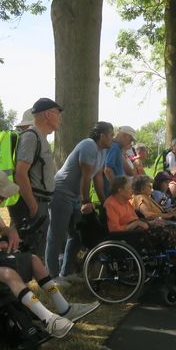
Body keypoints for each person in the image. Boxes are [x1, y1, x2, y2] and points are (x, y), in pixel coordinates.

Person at [0, 167, 99, 338]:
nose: (5, 198)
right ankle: (49, 320)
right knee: (9, 274)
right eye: (2, 196)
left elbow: (2, 228)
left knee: (34, 260)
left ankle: (64, 309)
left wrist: (11, 232)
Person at [45, 122, 114, 286]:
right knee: (56, 235)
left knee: (76, 235)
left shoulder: (103, 151)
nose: (112, 138)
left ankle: (66, 272)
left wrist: (105, 202)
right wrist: (86, 201)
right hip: (62, 193)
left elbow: (98, 178)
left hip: (76, 196)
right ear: (102, 136)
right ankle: (52, 277)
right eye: (111, 135)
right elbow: (86, 176)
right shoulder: (88, 145)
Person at [9, 98, 62, 256]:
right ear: (47, 114)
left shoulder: (40, 137)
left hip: (40, 202)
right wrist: (33, 206)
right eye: (57, 114)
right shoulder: (31, 137)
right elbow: (20, 173)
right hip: (31, 202)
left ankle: (32, 279)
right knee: (27, 249)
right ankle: (18, 279)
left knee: (35, 247)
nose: (60, 118)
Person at [104, 176, 176, 250]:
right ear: (120, 190)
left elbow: (137, 220)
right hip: (130, 235)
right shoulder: (110, 204)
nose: (132, 190)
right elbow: (114, 230)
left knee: (173, 229)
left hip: (139, 230)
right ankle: (175, 259)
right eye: (129, 188)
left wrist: (152, 223)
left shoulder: (126, 202)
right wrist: (136, 224)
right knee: (168, 233)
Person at [131, 175, 176, 241]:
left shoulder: (146, 197)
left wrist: (168, 211)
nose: (151, 187)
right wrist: (167, 215)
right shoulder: (140, 198)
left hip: (161, 219)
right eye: (148, 186)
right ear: (142, 189)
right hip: (155, 223)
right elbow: (148, 215)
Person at [103, 126, 136, 196]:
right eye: (131, 140)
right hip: (113, 192)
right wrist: (116, 191)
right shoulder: (114, 147)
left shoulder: (117, 148)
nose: (131, 142)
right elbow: (108, 170)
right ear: (124, 135)